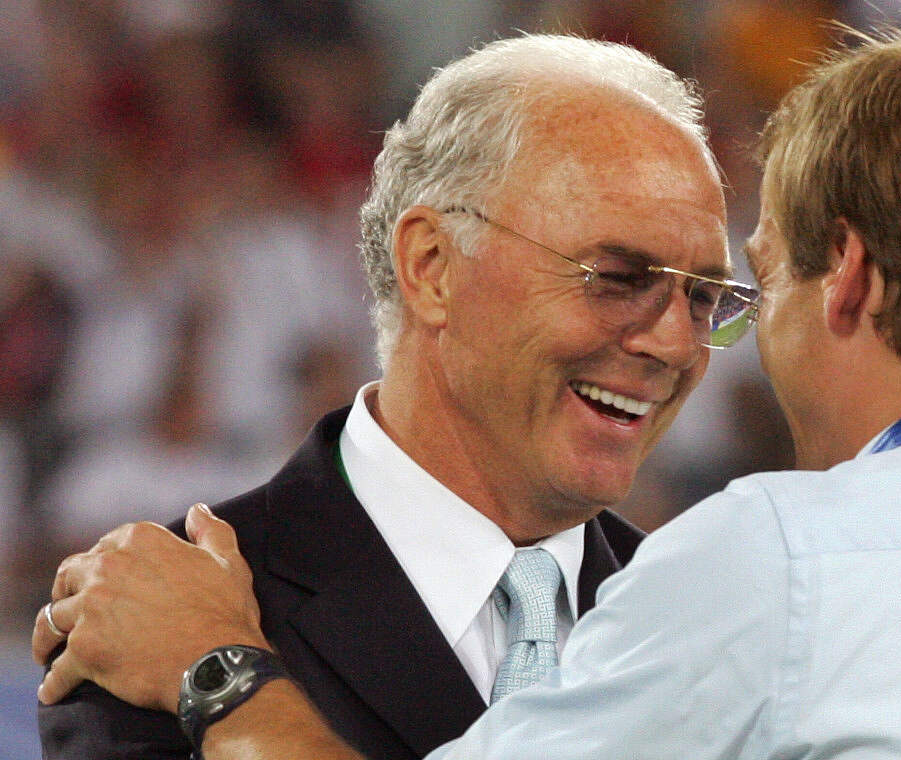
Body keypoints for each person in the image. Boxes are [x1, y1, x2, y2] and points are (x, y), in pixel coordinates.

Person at [35, 18, 901, 759]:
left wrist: (213, 666)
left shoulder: (783, 558)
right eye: (618, 276)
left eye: (740, 286)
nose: (691, 345)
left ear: (853, 283)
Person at [35, 33, 751, 760]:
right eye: (619, 277)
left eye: (702, 297)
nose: (674, 345)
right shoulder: (146, 617)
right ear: (433, 266)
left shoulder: (720, 636)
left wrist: (229, 684)